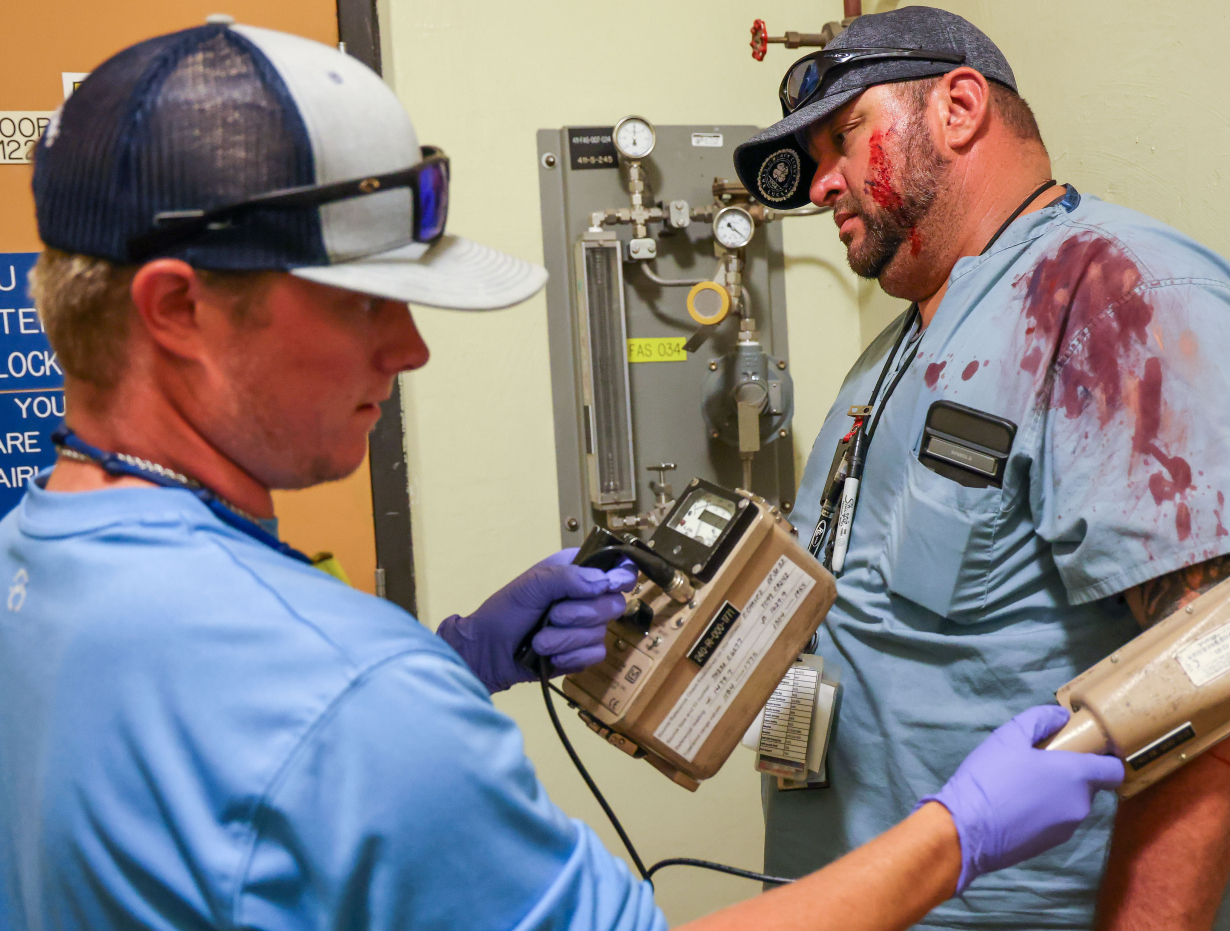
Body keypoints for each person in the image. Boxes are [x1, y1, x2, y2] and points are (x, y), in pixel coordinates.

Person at [0, 20, 1125, 931]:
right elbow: (319, 732)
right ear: (178, 309)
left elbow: (229, 791)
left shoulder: (33, 567)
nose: (411, 350)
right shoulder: (356, 705)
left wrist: (457, 655)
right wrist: (958, 833)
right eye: (362, 305)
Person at [732, 6, 1230, 931]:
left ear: (960, 106)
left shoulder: (1117, 300)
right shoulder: (894, 349)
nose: (821, 187)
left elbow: (1228, 663)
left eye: (843, 139)